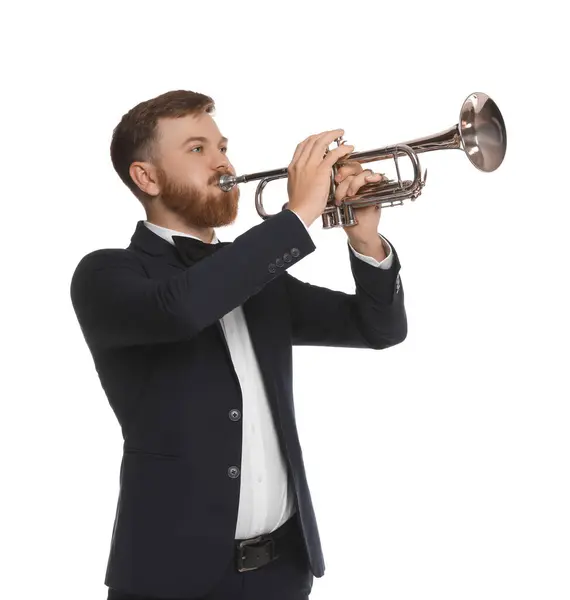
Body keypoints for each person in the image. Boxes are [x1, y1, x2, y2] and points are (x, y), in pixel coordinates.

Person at [69, 90, 407, 600]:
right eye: (198, 149)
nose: (224, 161)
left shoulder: (257, 278)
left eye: (223, 146)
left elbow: (377, 329)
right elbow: (182, 308)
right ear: (147, 177)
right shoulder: (107, 273)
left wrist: (365, 243)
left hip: (283, 572)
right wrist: (298, 214)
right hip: (169, 580)